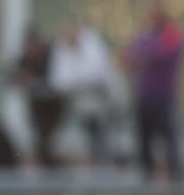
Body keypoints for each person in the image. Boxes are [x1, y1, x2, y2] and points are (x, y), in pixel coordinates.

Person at [123, 2, 184, 181]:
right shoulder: (144, 36)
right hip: (144, 95)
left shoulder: (172, 35)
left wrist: (144, 56)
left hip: (164, 96)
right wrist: (141, 57)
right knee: (144, 137)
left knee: (169, 137)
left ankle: (175, 175)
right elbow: (128, 57)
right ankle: (146, 174)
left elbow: (163, 57)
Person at [49, 23, 116, 166]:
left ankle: (103, 166)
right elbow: (59, 81)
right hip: (79, 106)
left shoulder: (92, 44)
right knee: (85, 140)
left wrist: (75, 82)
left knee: (102, 138)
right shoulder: (62, 49)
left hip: (102, 101)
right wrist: (80, 82)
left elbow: (97, 74)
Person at [13, 26, 64, 166]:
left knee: (49, 141)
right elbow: (13, 75)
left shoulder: (52, 55)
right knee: (40, 141)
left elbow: (59, 77)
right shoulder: (25, 58)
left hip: (55, 107)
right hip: (36, 107)